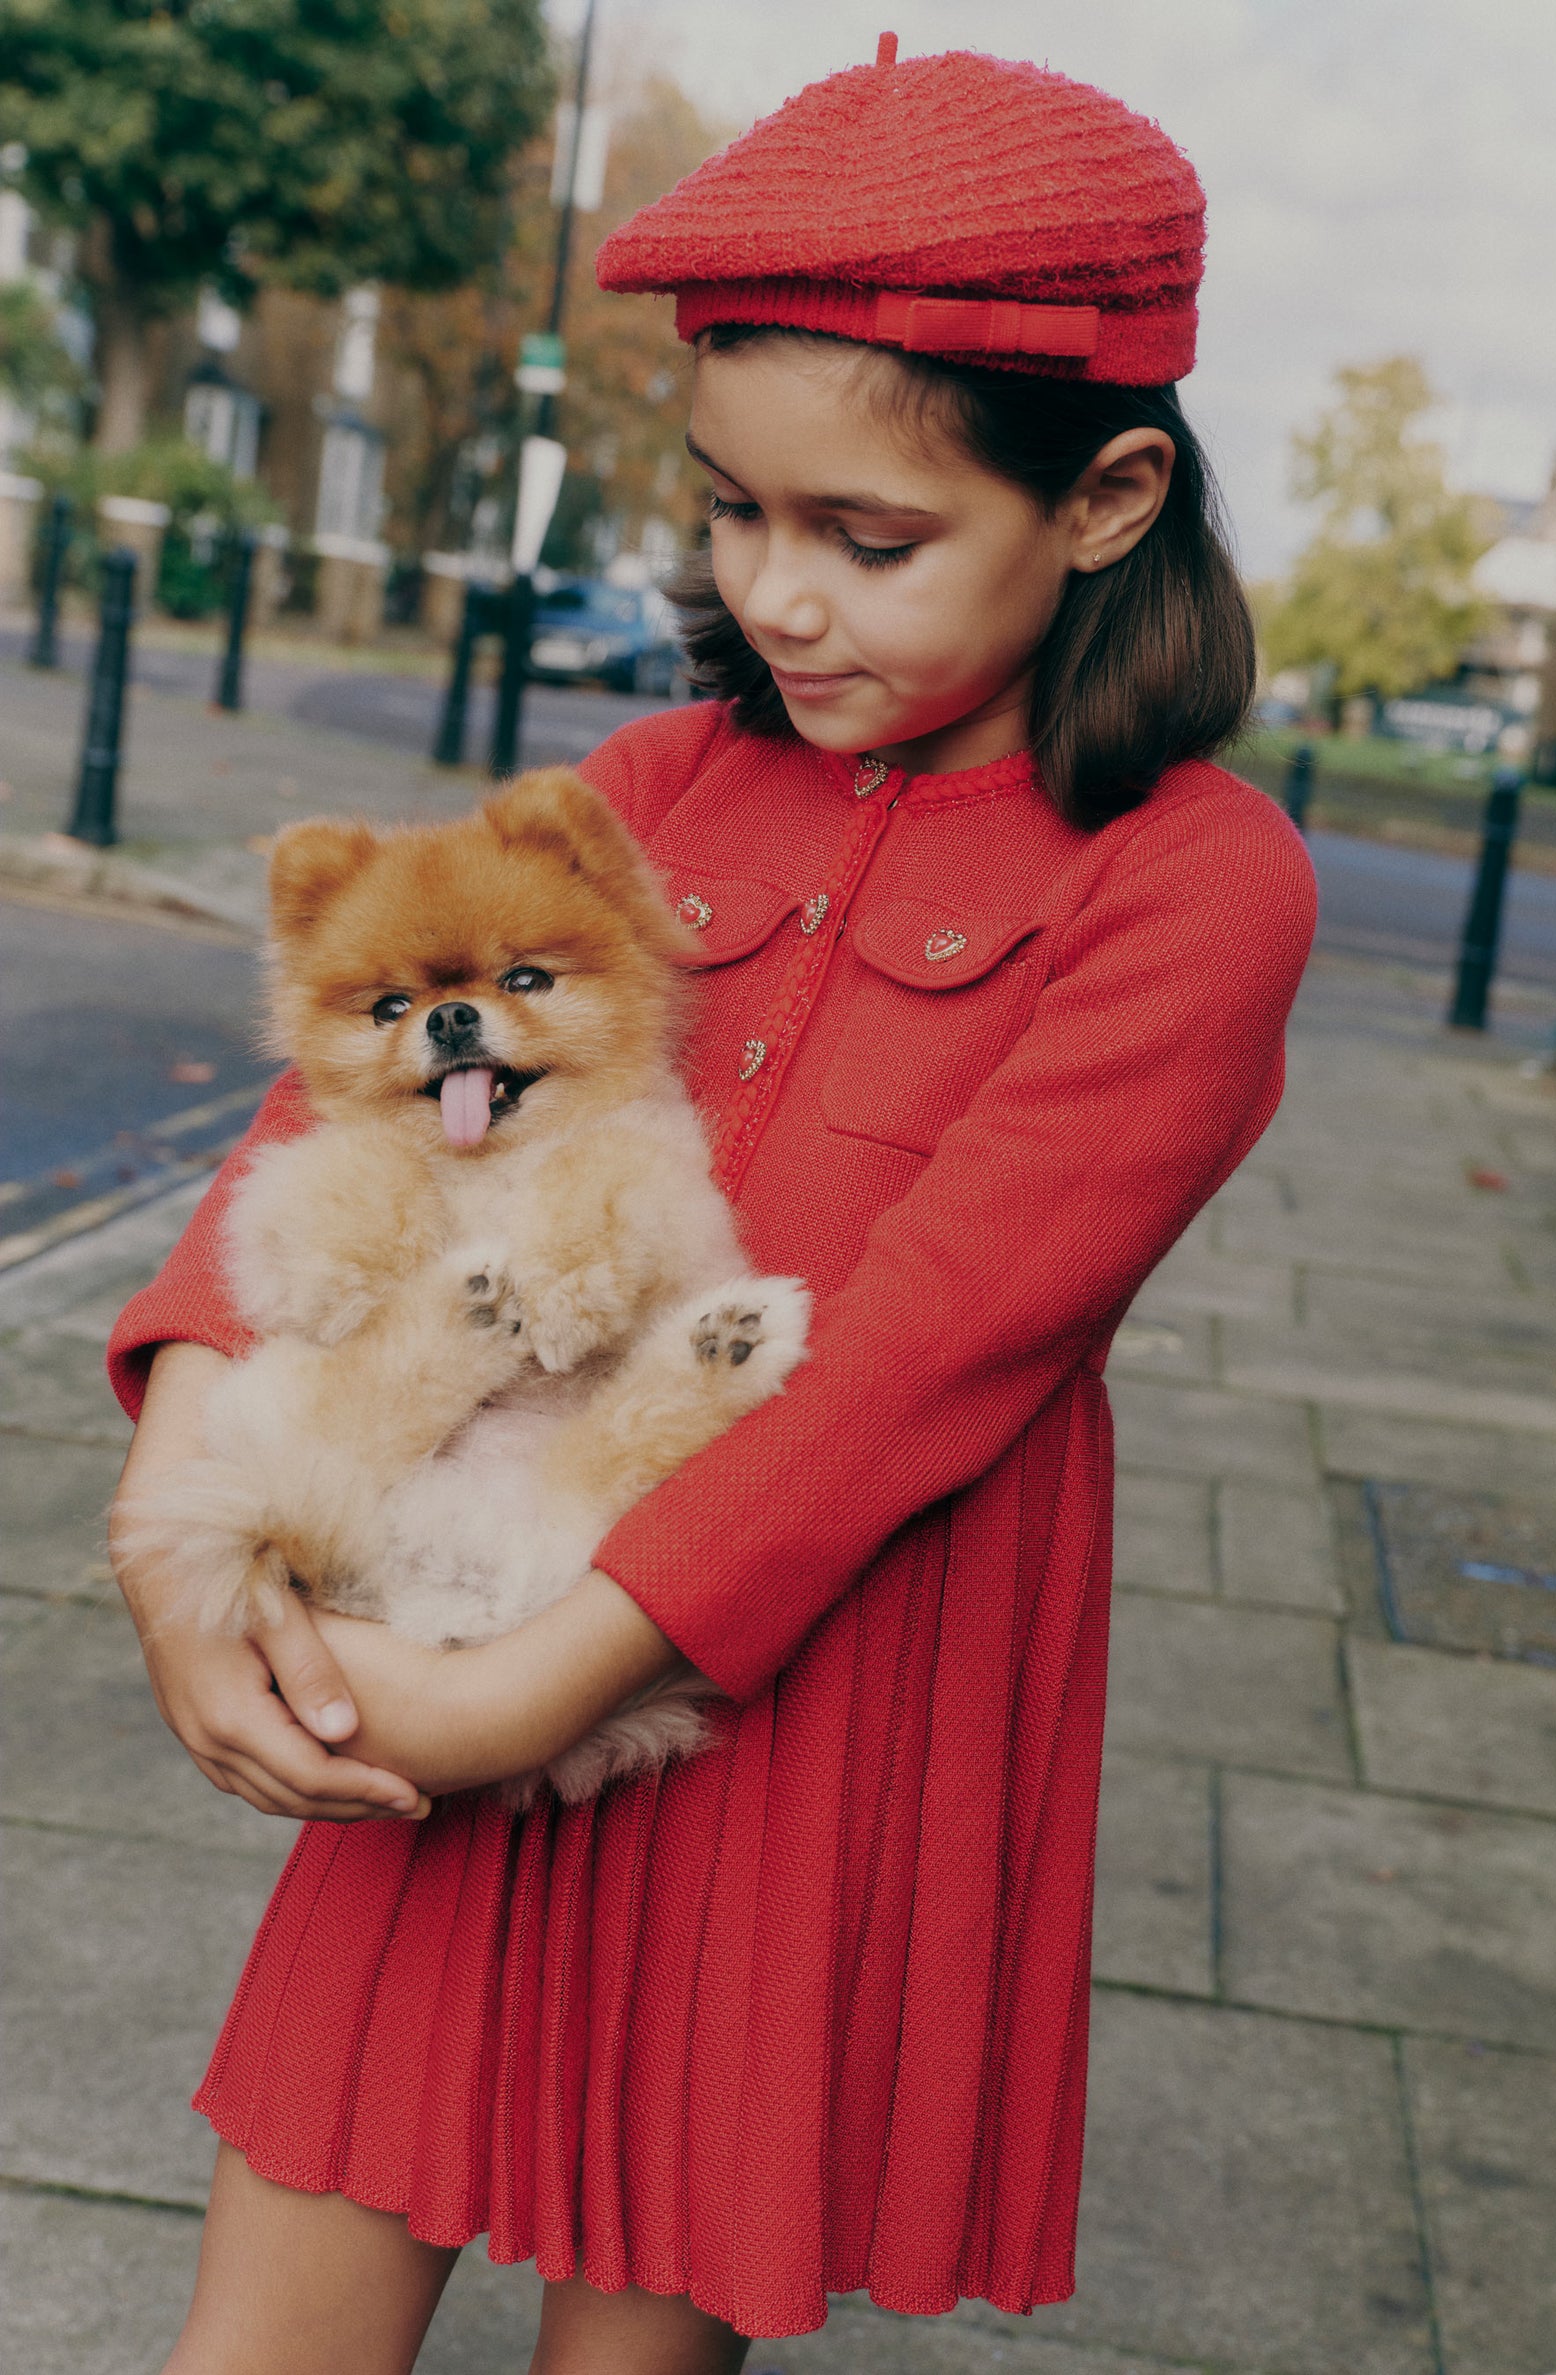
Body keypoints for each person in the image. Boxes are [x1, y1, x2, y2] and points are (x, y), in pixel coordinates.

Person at [106, 37, 1316, 2375]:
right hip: (471, 1565)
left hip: (803, 1663)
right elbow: (335, 1109)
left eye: (867, 540)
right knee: (270, 2312)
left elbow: (929, 1357)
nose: (777, 593)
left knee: (639, 2316)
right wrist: (184, 1509)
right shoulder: (652, 779)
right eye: (729, 513)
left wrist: (515, 1699)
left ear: (1105, 495)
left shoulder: (1194, 886)